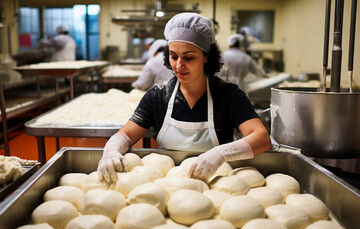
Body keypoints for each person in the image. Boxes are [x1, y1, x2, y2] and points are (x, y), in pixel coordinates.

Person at [97, 13, 271, 183]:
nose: (179, 66)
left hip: (216, 183)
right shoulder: (157, 96)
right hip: (167, 184)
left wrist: (221, 153)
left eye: (188, 57)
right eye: (173, 56)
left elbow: (262, 138)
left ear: (206, 56)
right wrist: (111, 150)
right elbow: (126, 135)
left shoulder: (229, 95)